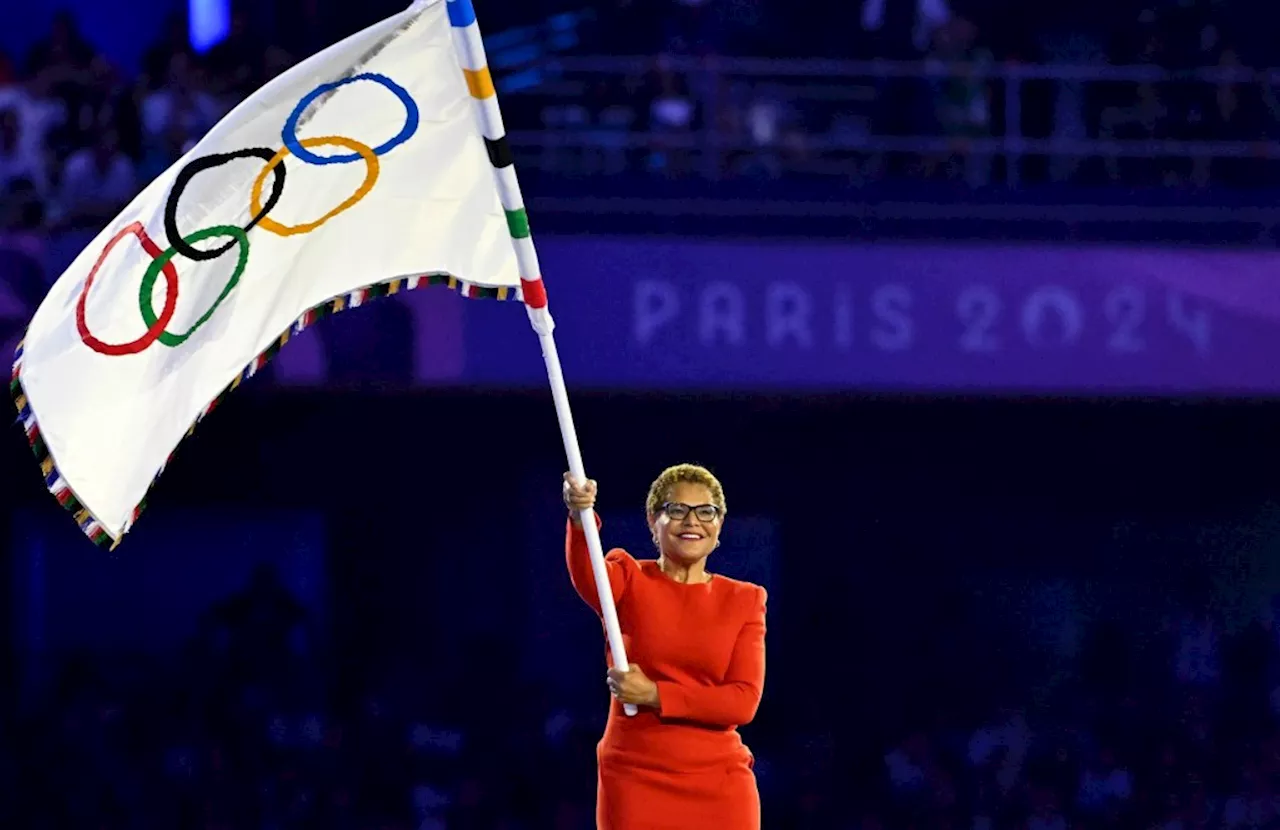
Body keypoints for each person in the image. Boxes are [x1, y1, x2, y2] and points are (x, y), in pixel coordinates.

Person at [562, 463, 767, 829]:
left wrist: (655, 694)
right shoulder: (627, 576)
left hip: (719, 785)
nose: (692, 521)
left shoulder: (744, 600)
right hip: (636, 777)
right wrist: (581, 519)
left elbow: (742, 701)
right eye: (676, 510)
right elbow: (588, 573)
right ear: (653, 521)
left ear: (719, 525)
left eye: (706, 512)